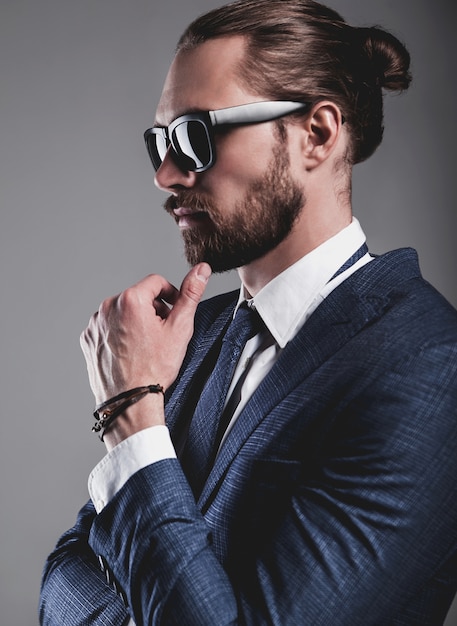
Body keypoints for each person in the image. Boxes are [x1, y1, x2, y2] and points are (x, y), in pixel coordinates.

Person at [39, 1, 457, 624]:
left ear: (317, 133)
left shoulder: (428, 367)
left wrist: (130, 413)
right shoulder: (193, 334)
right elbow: (64, 573)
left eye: (195, 136)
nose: (165, 174)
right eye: (159, 140)